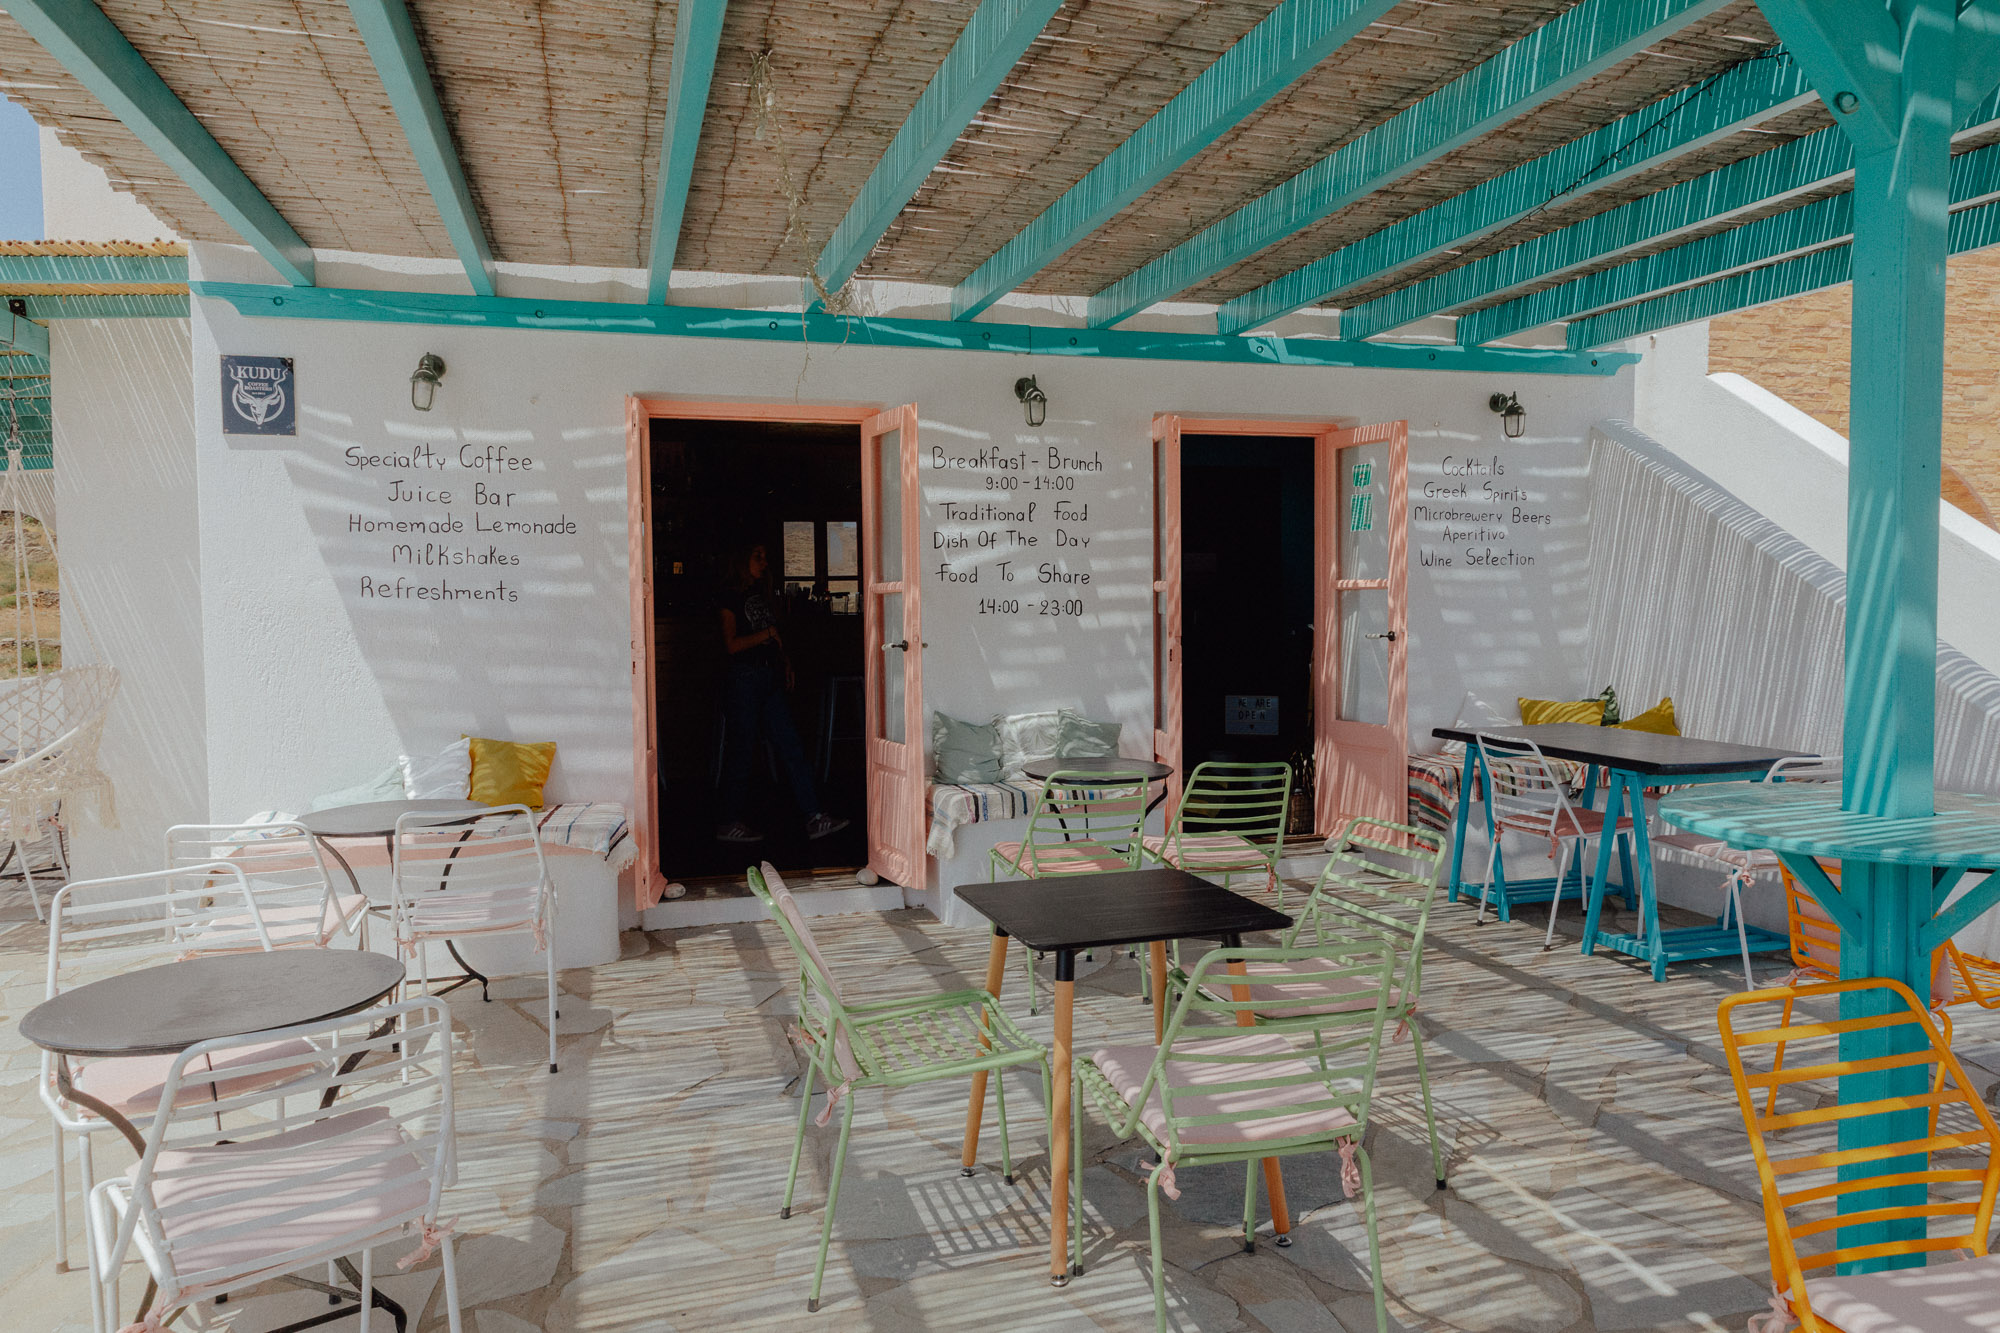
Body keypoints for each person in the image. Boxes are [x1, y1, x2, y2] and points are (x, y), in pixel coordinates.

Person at [715, 542, 849, 843]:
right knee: (742, 750)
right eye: (757, 556)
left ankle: (815, 817)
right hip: (744, 679)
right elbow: (732, 645)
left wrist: (784, 661)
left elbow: (773, 636)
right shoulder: (728, 597)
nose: (764, 562)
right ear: (741, 559)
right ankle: (727, 822)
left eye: (765, 556)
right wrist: (768, 634)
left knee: (791, 746)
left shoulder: (759, 595)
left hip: (768, 676)